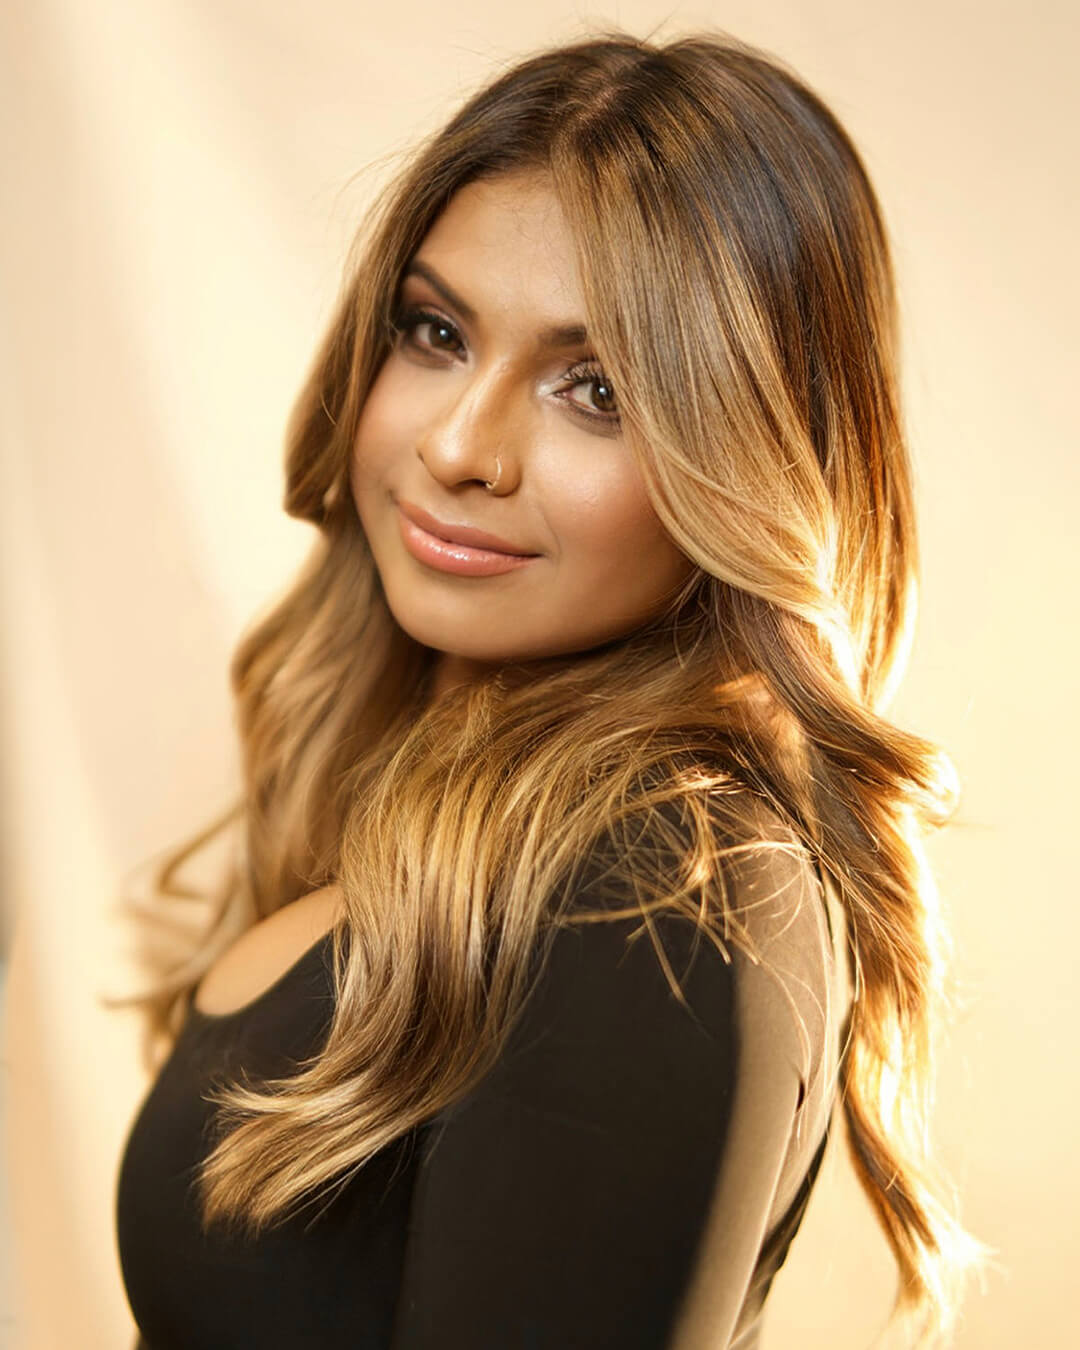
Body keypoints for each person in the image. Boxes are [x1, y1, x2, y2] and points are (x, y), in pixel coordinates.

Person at [112, 27, 980, 1349]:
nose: (462, 444)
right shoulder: (453, 800)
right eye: (436, 332)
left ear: (751, 461)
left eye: (597, 389)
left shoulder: (665, 883)